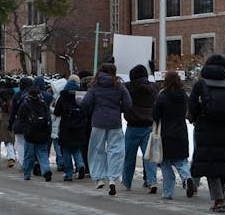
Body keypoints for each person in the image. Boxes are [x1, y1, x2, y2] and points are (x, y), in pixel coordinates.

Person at [188, 54, 225, 213]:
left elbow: (191, 106)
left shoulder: (200, 85)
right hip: (224, 129)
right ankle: (221, 194)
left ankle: (219, 200)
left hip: (205, 128)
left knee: (209, 163)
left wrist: (197, 118)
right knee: (220, 160)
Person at [81, 63, 132, 196]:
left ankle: (98, 178)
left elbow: (86, 103)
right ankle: (113, 179)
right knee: (115, 150)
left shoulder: (95, 86)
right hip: (115, 122)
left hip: (98, 122)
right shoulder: (119, 86)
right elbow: (128, 104)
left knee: (97, 149)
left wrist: (89, 107)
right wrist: (117, 110)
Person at [152, 70, 194, 200]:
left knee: (165, 163)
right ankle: (187, 178)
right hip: (181, 132)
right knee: (181, 161)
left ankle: (167, 193)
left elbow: (155, 115)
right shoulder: (184, 96)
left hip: (166, 134)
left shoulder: (162, 96)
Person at [123, 64, 159, 193]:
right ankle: (152, 181)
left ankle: (126, 183)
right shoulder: (154, 88)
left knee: (129, 157)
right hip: (149, 126)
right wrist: (153, 70)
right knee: (149, 157)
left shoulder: (128, 87)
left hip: (133, 127)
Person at [53, 76, 87, 181]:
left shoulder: (63, 97)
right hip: (79, 127)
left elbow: (57, 112)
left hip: (66, 128)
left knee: (66, 151)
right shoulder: (81, 96)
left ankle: (68, 173)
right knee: (76, 149)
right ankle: (80, 165)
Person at [18, 86, 53, 180]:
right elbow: (48, 119)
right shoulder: (43, 105)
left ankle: (27, 173)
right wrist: (48, 131)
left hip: (30, 134)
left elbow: (21, 119)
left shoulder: (25, 105)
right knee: (42, 153)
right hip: (43, 133)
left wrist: (25, 129)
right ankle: (46, 169)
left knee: (29, 155)